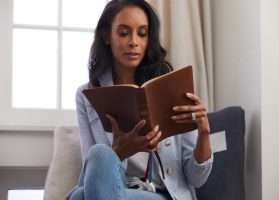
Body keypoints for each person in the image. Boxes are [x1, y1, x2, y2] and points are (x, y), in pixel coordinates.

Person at [67, 0, 213, 199]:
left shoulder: (171, 86)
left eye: (142, 33)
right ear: (106, 35)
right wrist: (119, 151)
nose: (134, 42)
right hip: (113, 187)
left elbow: (197, 179)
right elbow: (93, 171)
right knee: (100, 155)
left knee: (78, 197)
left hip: (163, 193)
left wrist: (204, 132)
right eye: (124, 33)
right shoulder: (86, 95)